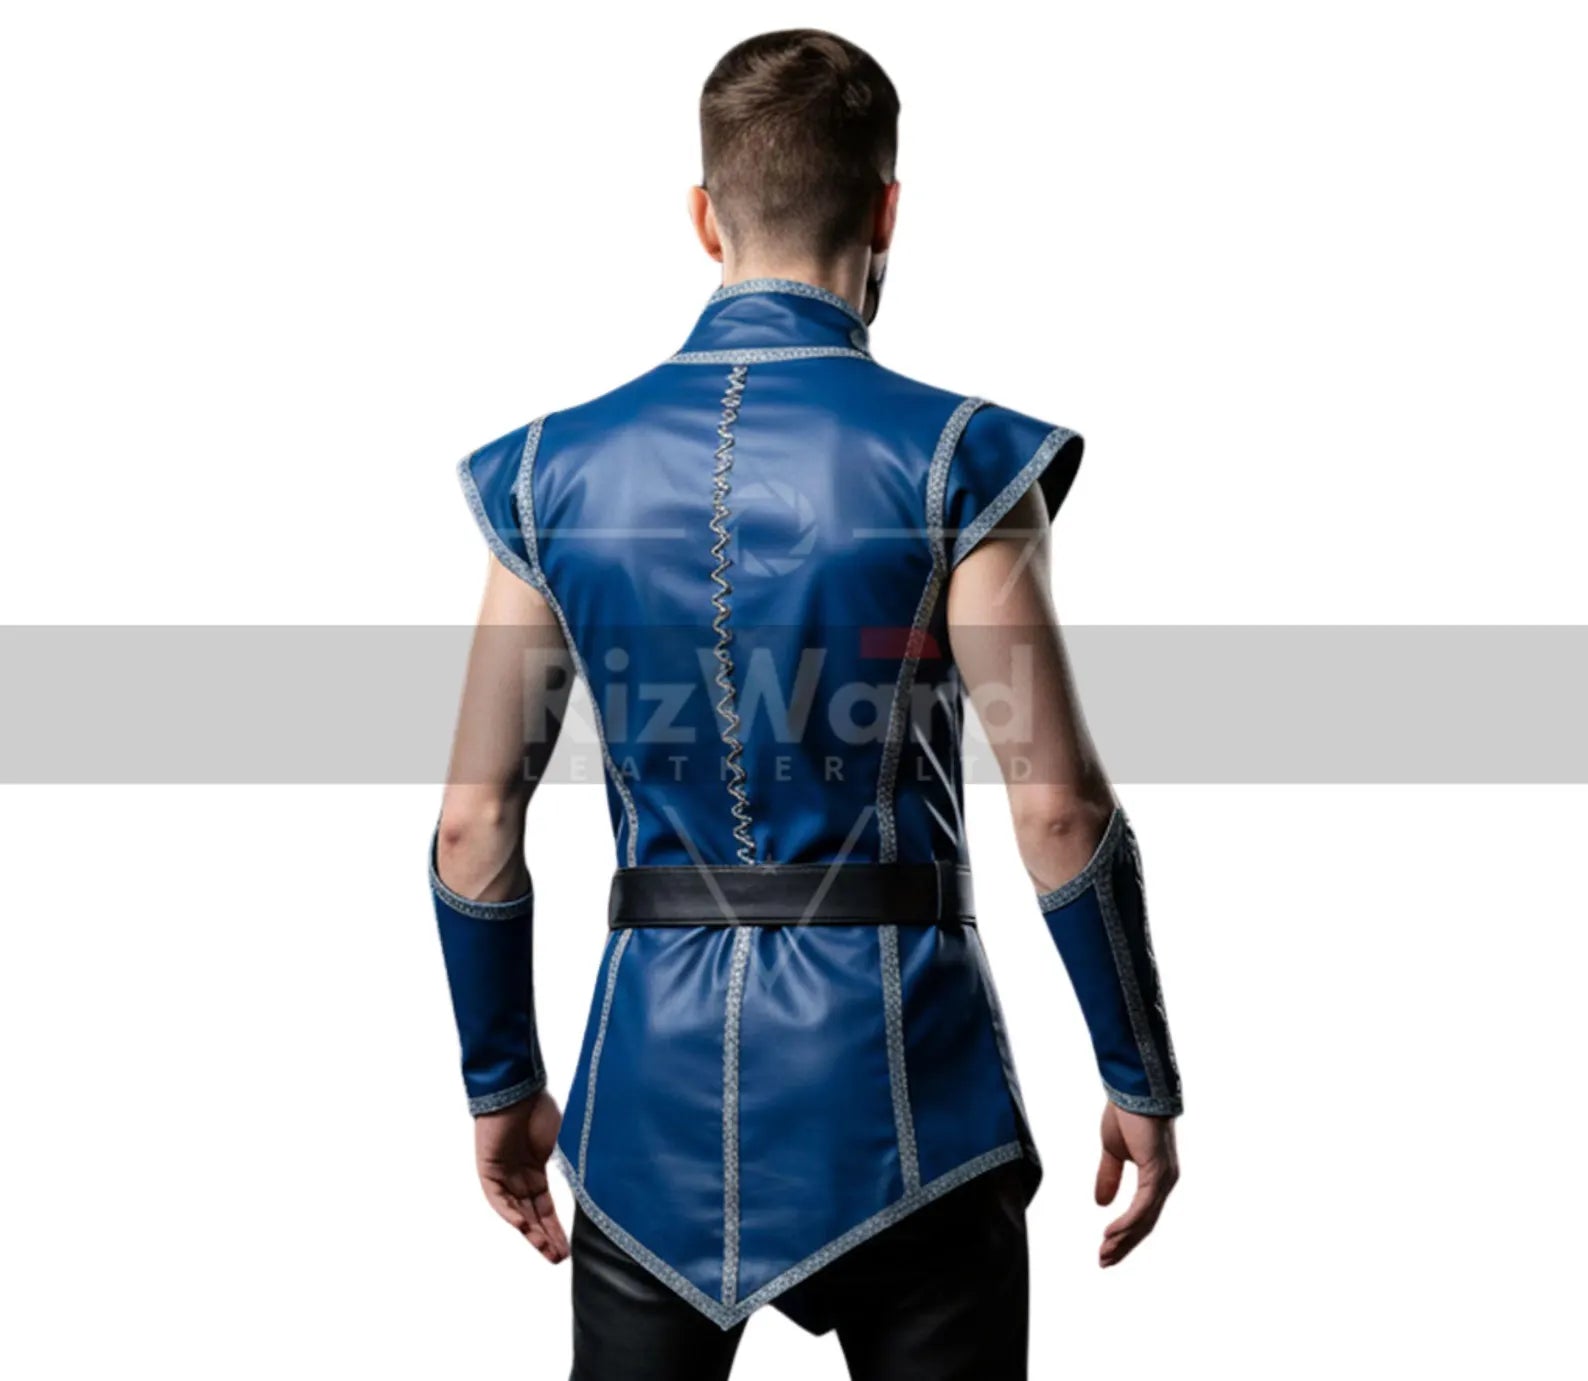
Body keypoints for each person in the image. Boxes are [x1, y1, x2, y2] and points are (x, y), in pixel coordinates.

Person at [430, 28, 1182, 1381]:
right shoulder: (960, 462)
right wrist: (1138, 1073)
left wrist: (502, 1085)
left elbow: (473, 826)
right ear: (888, 211)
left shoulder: (546, 476)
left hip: (645, 1115)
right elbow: (1059, 809)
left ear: (704, 217)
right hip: (912, 1110)